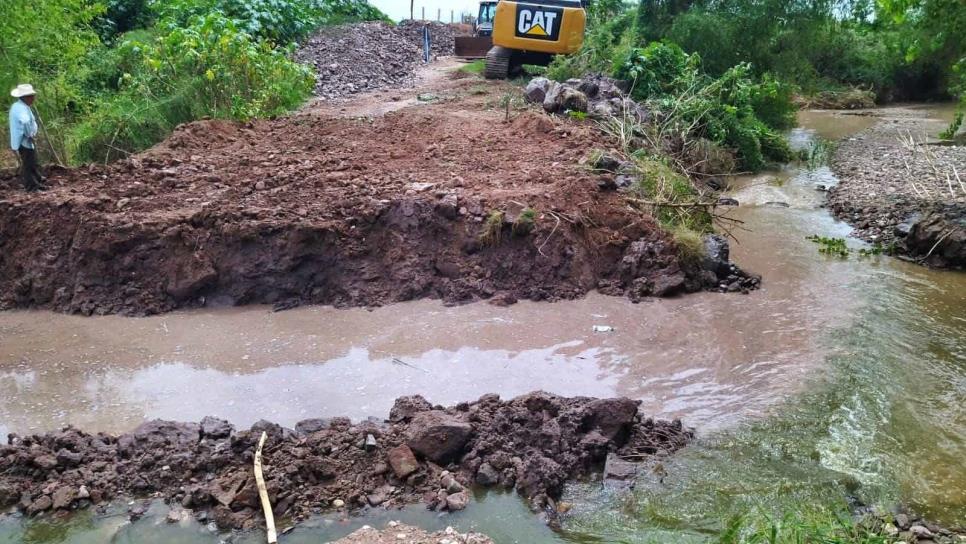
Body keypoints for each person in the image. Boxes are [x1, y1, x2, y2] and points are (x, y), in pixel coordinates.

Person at [9, 83, 46, 192]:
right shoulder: (20, 108)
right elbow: (25, 122)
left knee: (32, 162)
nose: (33, 98)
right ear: (25, 97)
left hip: (24, 140)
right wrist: (30, 134)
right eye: (31, 96)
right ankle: (32, 187)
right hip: (24, 140)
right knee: (28, 164)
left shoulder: (20, 106)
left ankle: (37, 183)